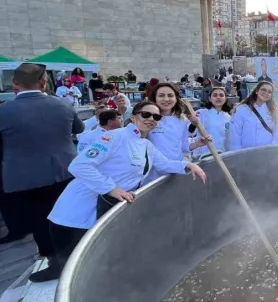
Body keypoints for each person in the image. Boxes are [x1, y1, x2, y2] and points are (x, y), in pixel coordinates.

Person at [43, 102, 208, 282]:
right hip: (76, 214)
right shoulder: (115, 137)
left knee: (97, 267)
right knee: (76, 272)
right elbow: (79, 165)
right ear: (133, 116)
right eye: (146, 114)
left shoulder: (145, 145)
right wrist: (111, 188)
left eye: (156, 117)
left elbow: (164, 163)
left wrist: (188, 165)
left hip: (104, 210)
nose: (151, 119)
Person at [0, 63, 84, 281]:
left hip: (26, 178)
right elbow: (79, 129)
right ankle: (77, 259)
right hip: (65, 172)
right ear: (44, 82)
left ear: (14, 84)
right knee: (67, 217)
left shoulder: (4, 111)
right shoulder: (62, 104)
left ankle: (56, 264)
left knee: (40, 223)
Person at [145, 83, 206, 184]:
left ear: (176, 98)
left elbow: (183, 146)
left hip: (177, 169)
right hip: (154, 171)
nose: (166, 99)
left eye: (170, 95)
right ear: (154, 98)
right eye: (161, 95)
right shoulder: (148, 119)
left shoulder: (181, 120)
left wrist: (197, 144)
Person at [229, 81, 278, 150]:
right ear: (256, 91)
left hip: (266, 152)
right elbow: (235, 133)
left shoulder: (274, 111)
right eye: (263, 90)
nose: (266, 93)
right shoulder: (241, 109)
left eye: (269, 92)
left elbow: (277, 133)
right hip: (245, 153)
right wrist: (236, 153)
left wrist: (273, 151)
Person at [190, 87, 232, 158]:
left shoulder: (228, 117)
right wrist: (193, 123)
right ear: (210, 98)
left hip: (221, 154)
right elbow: (190, 133)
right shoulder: (201, 113)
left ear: (225, 99)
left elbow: (228, 138)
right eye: (215, 95)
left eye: (221, 95)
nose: (218, 97)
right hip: (203, 154)